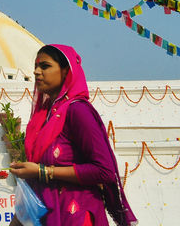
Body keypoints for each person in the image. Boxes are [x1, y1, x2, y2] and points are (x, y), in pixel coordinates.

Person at [9, 44, 137, 226]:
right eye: (35, 67)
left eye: (45, 66)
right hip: (46, 213)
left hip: (75, 214)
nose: (37, 72)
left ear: (65, 71)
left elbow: (104, 171)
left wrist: (43, 171)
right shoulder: (43, 116)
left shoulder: (78, 111)